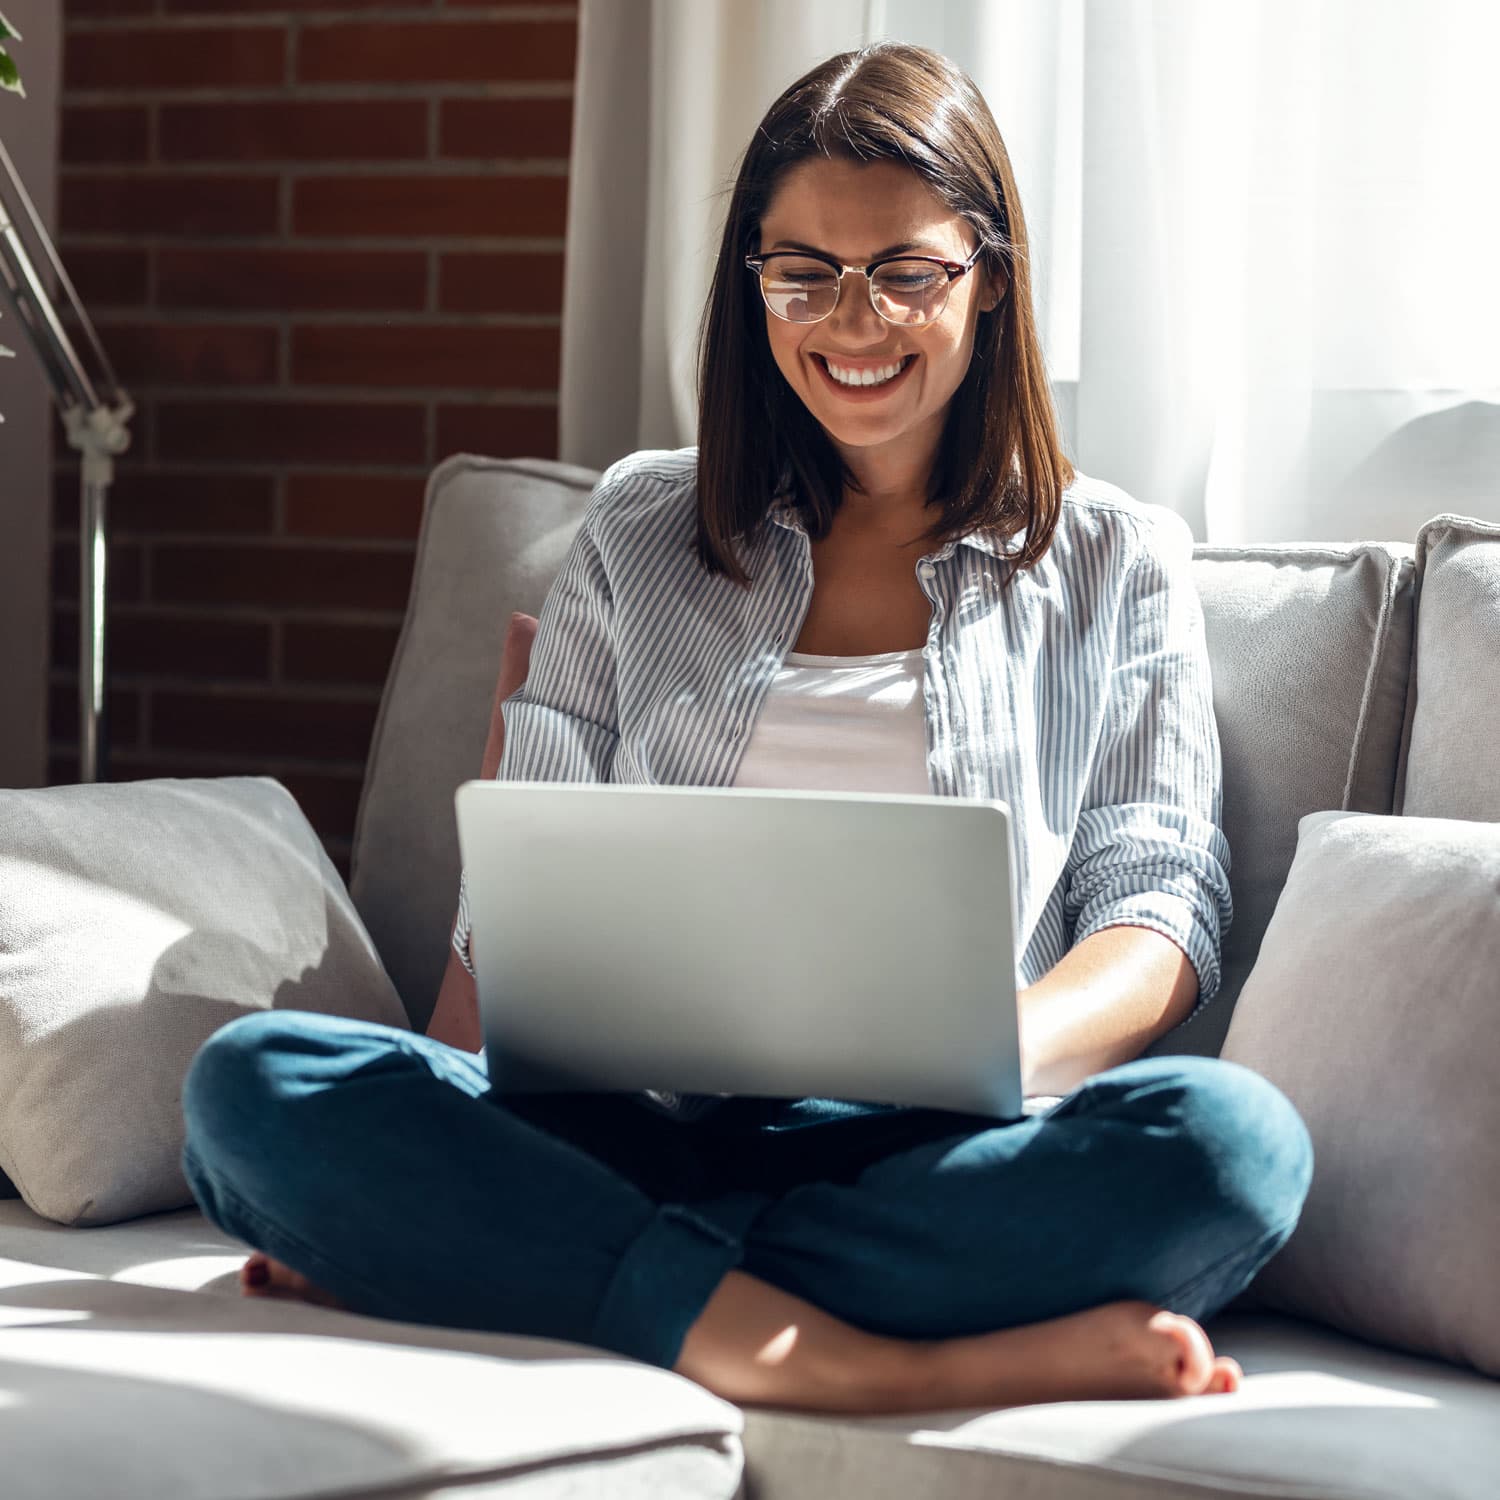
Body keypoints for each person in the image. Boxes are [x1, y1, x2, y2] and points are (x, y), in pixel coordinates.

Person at [180, 42, 1312, 1415]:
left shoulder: (1112, 557)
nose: (854, 321)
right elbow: (515, 906)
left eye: (908, 270)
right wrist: (491, 1064)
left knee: (1234, 1148)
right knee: (251, 1087)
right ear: (754, 283)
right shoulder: (643, 527)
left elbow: (1157, 913)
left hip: (931, 1153)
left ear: (990, 276)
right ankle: (852, 1356)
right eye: (804, 274)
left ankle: (545, 1279)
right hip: (625, 1130)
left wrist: (999, 1050)